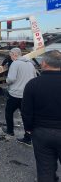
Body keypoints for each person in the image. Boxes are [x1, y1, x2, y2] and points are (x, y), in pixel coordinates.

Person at [22, 50, 61, 182]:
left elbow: (26, 110)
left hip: (41, 132)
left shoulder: (33, 84)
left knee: (45, 170)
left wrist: (28, 128)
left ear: (44, 63)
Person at [1, 48, 36, 146]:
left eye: (10, 55)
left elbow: (11, 78)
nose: (10, 57)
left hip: (15, 94)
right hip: (27, 95)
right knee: (25, 116)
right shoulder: (30, 64)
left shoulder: (15, 63)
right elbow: (34, 78)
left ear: (14, 54)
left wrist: (6, 81)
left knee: (9, 112)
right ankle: (28, 137)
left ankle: (10, 131)